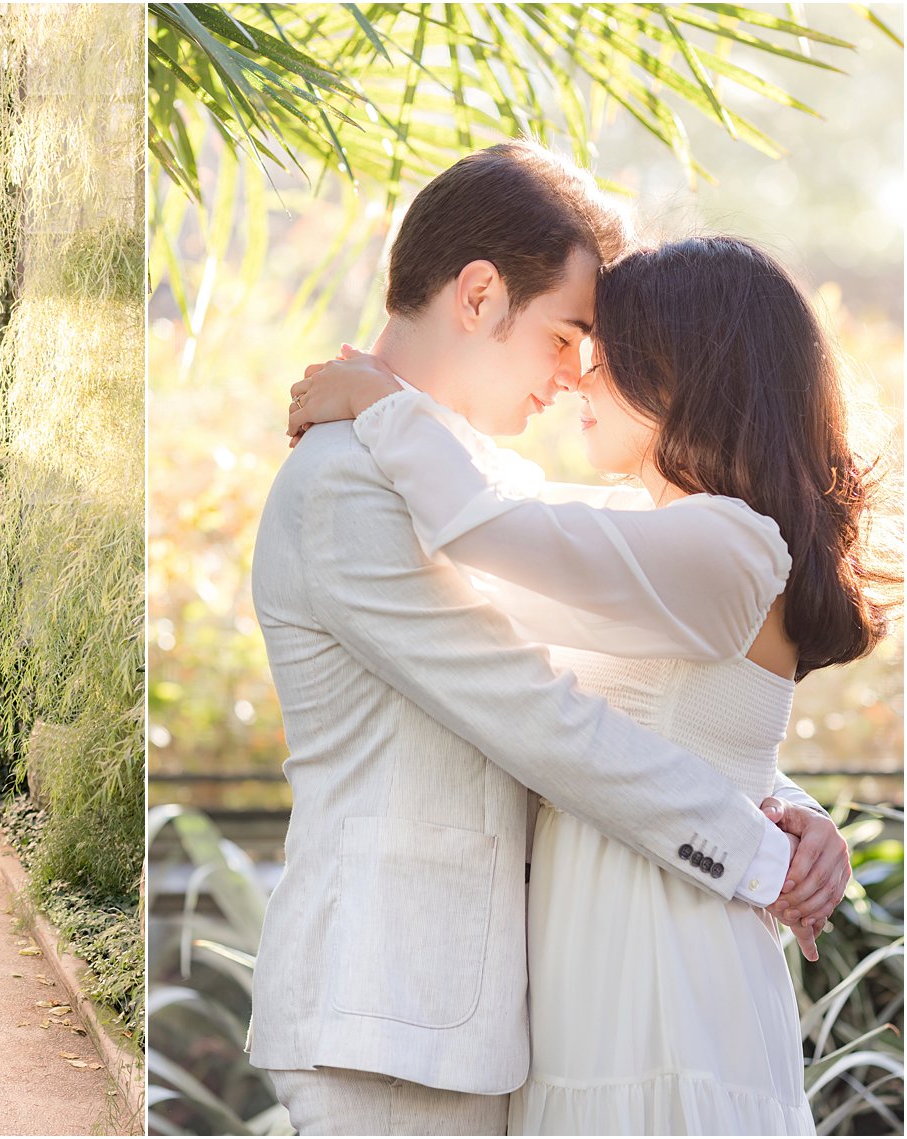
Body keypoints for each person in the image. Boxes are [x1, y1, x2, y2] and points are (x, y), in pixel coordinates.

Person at [245, 141, 852, 1136]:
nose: (576, 375)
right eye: (567, 334)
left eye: (596, 349)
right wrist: (756, 845)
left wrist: (770, 797)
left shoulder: (455, 476)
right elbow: (531, 709)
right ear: (478, 295)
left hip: (508, 1011)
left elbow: (638, 674)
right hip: (396, 1010)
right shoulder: (354, 478)